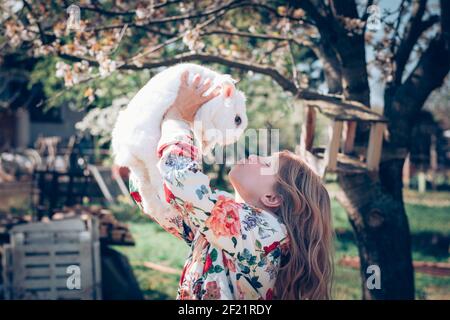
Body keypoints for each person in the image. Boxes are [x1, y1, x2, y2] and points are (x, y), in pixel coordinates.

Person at [129, 71, 334, 300]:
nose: (255, 155)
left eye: (266, 163)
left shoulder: (267, 233)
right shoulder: (227, 227)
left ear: (272, 198)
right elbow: (160, 202)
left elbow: (182, 184)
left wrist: (178, 118)